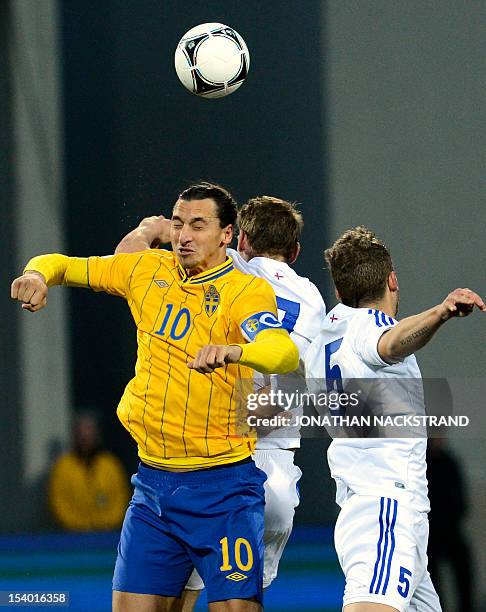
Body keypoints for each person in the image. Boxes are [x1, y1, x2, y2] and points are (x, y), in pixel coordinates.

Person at [11, 182, 299, 612]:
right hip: (153, 489)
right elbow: (62, 265)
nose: (184, 235)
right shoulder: (147, 271)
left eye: (198, 225)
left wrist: (236, 350)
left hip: (222, 489)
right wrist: (36, 274)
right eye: (179, 223)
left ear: (227, 235)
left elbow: (283, 353)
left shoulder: (245, 291)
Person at [115, 196, 327, 608]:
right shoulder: (312, 299)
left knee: (178, 588)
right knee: (244, 597)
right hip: (277, 470)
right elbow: (296, 384)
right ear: (296, 252)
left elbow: (125, 259)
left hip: (215, 462)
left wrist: (151, 229)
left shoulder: (228, 270)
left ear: (237, 238)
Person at [304, 226, 484, 612]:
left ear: (338, 291)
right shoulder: (370, 328)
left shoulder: (324, 335)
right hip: (385, 505)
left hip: (371, 503)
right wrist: (441, 312)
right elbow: (390, 343)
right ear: (392, 280)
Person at [48, 410, 130, 532]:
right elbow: (59, 503)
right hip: (73, 536)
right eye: (81, 434)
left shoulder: (110, 465)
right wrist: (79, 525)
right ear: (75, 436)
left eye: (89, 433)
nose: (85, 439)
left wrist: (106, 523)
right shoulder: (63, 468)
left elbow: (121, 498)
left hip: (108, 534)